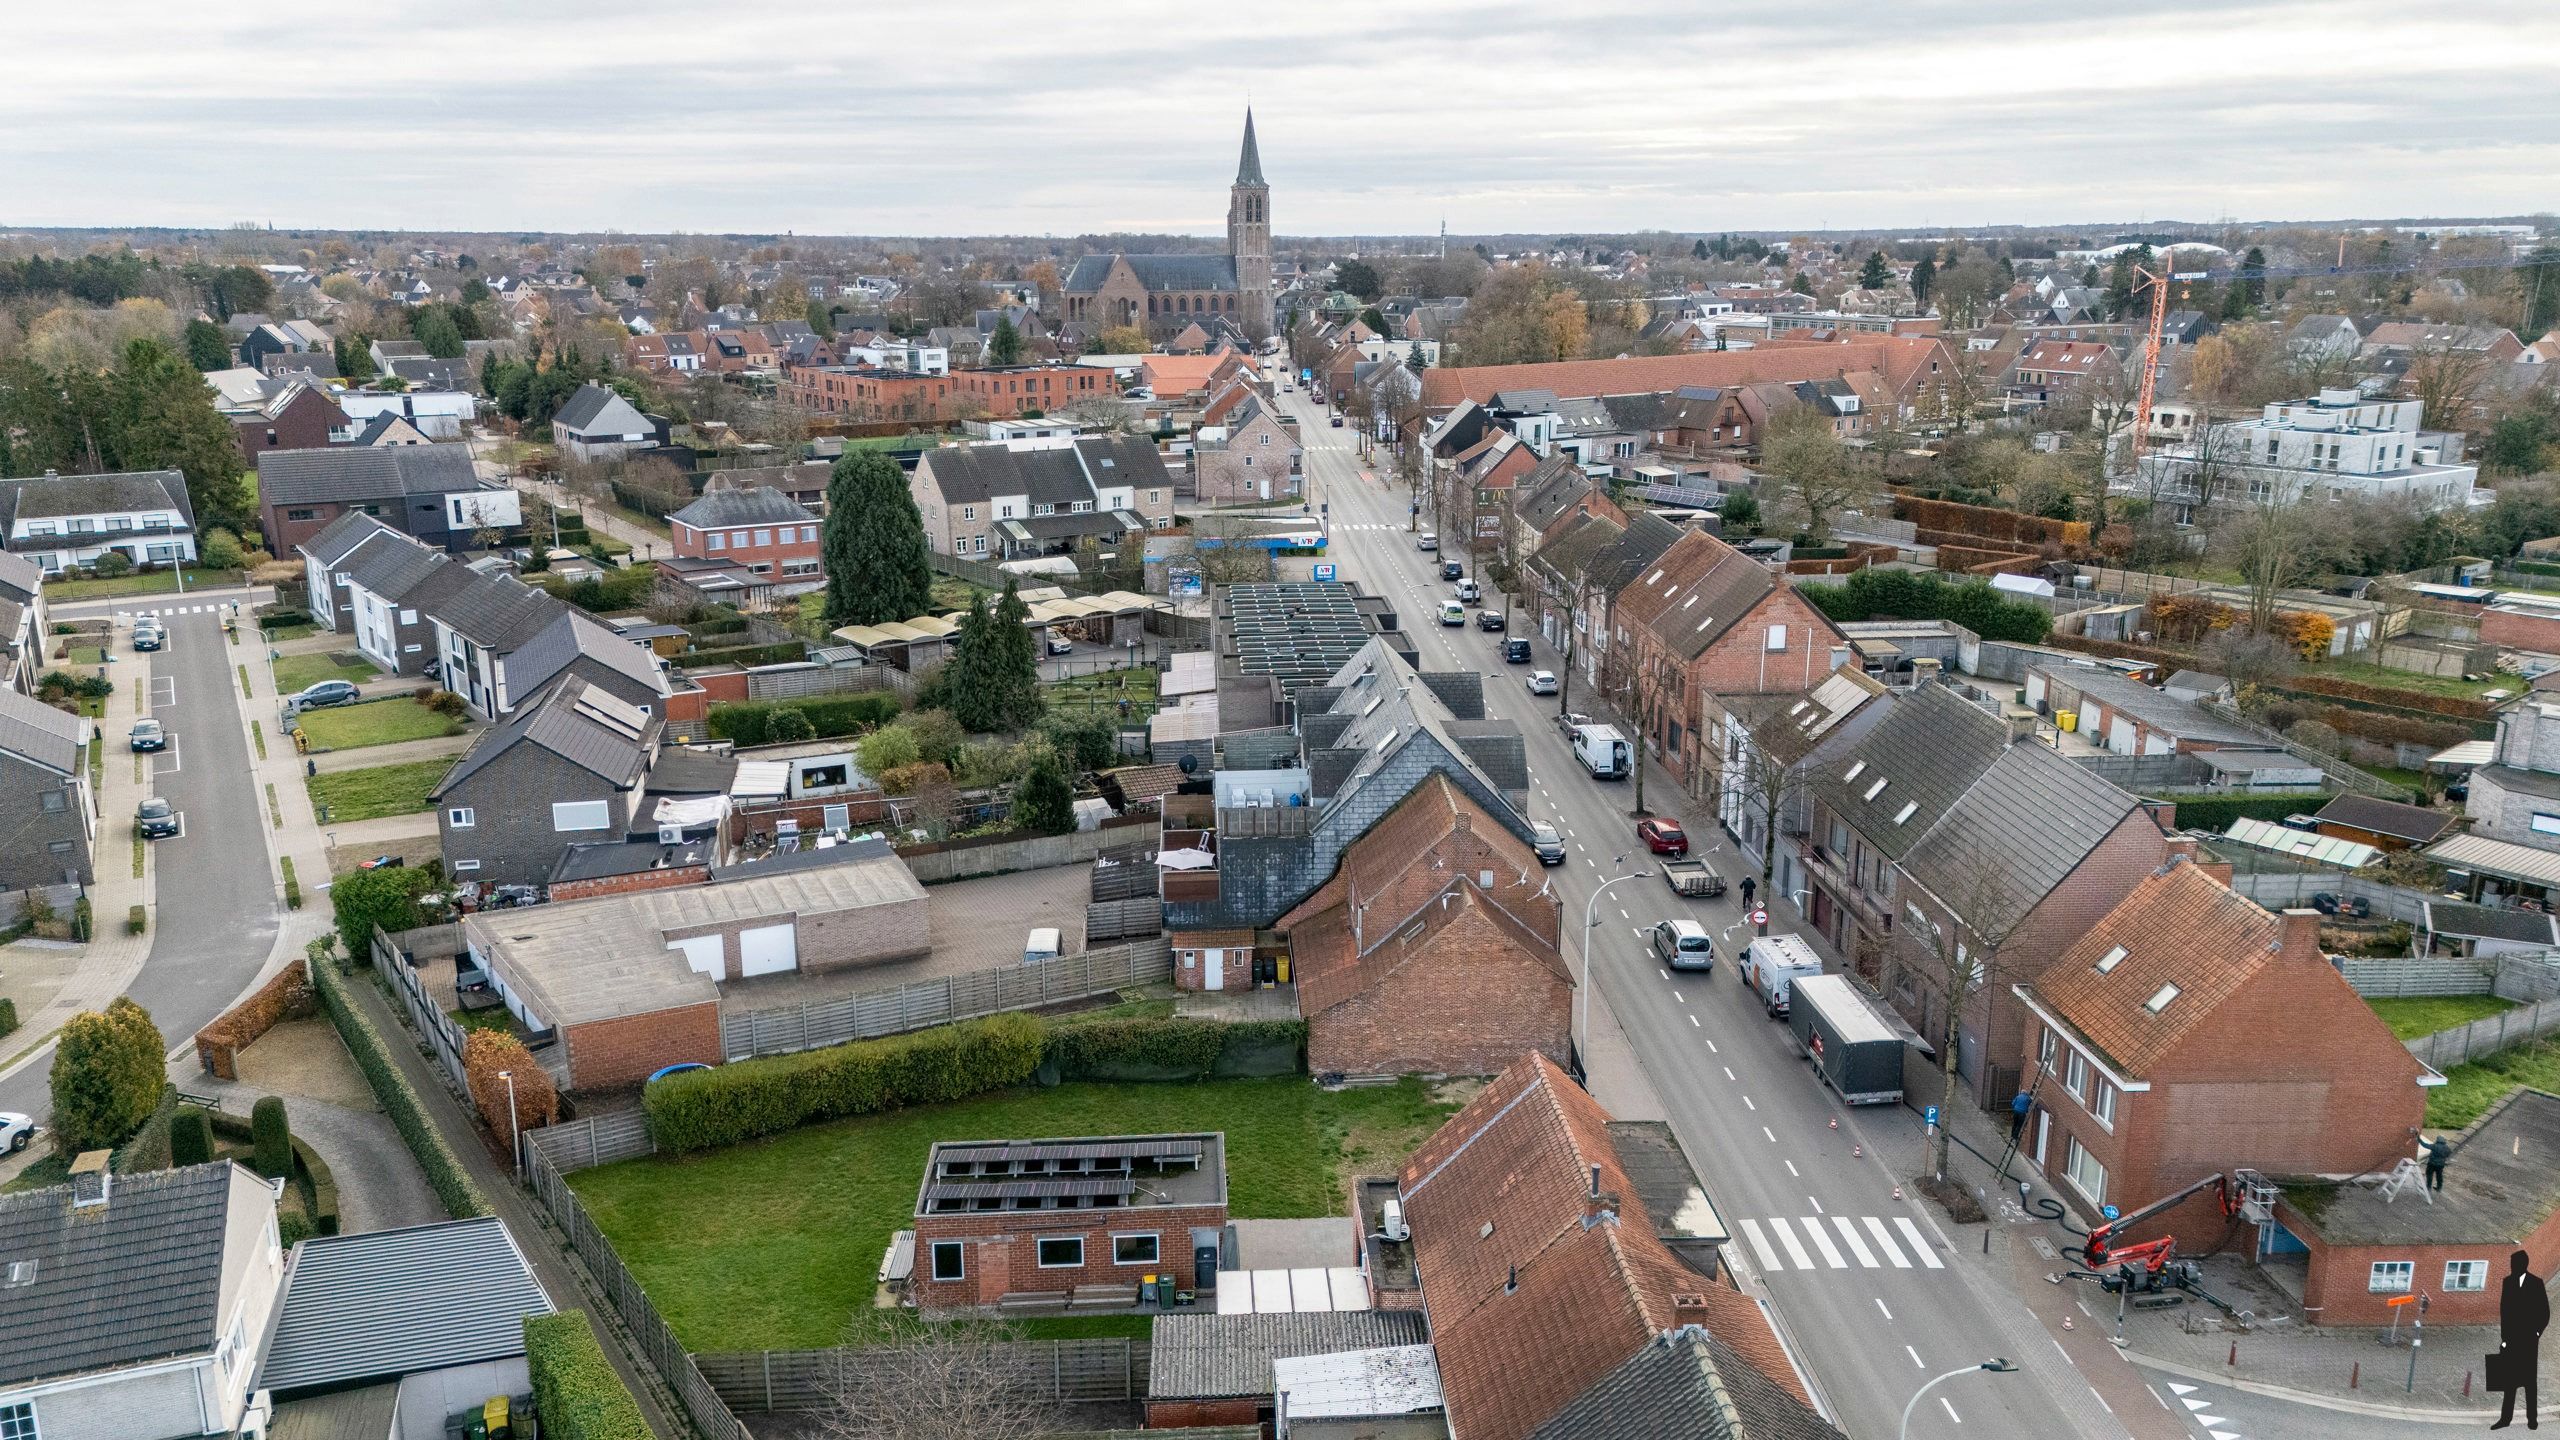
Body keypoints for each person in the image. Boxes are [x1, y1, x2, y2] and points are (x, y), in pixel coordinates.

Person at [2497, 1249, 2547, 1430]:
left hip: (2528, 1341)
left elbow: (2545, 1312)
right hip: (2511, 1340)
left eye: (2514, 1264)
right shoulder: (2507, 1282)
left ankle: (2532, 1419)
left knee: (2529, 1382)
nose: (2512, 1268)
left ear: (2522, 1265)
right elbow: (2504, 1312)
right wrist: (2504, 1338)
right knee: (2510, 1382)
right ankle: (2505, 1419)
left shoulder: (2536, 1283)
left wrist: (2536, 1333)